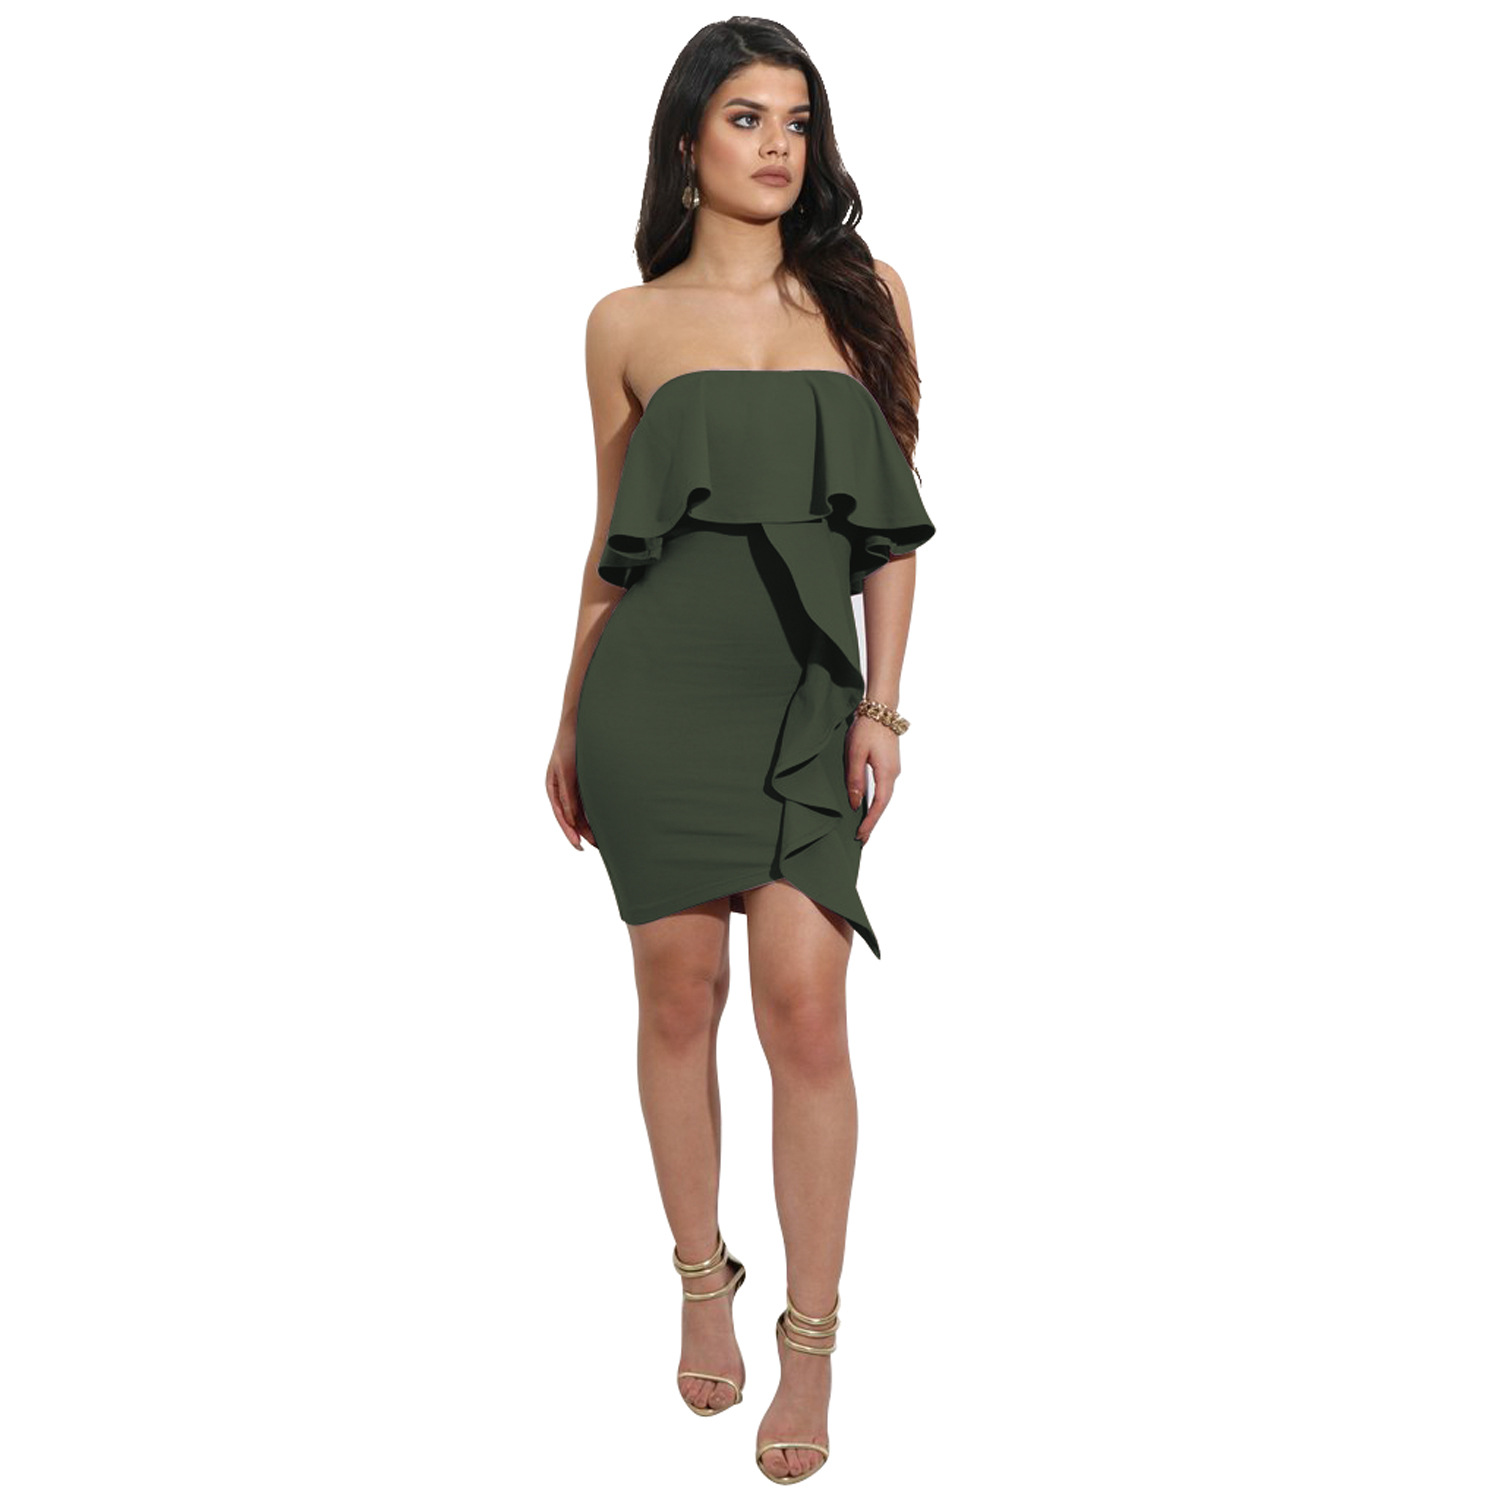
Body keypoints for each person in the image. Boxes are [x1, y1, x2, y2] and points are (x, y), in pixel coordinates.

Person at [545, 20, 935, 1486]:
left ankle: (811, 1342)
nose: (779, 146)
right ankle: (700, 1273)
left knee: (807, 1012)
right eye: (747, 118)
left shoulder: (867, 298)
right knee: (677, 997)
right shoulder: (624, 324)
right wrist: (571, 714)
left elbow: (890, 527)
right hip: (656, 696)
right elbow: (610, 544)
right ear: (688, 142)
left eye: (799, 121)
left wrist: (882, 709)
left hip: (805, 696)